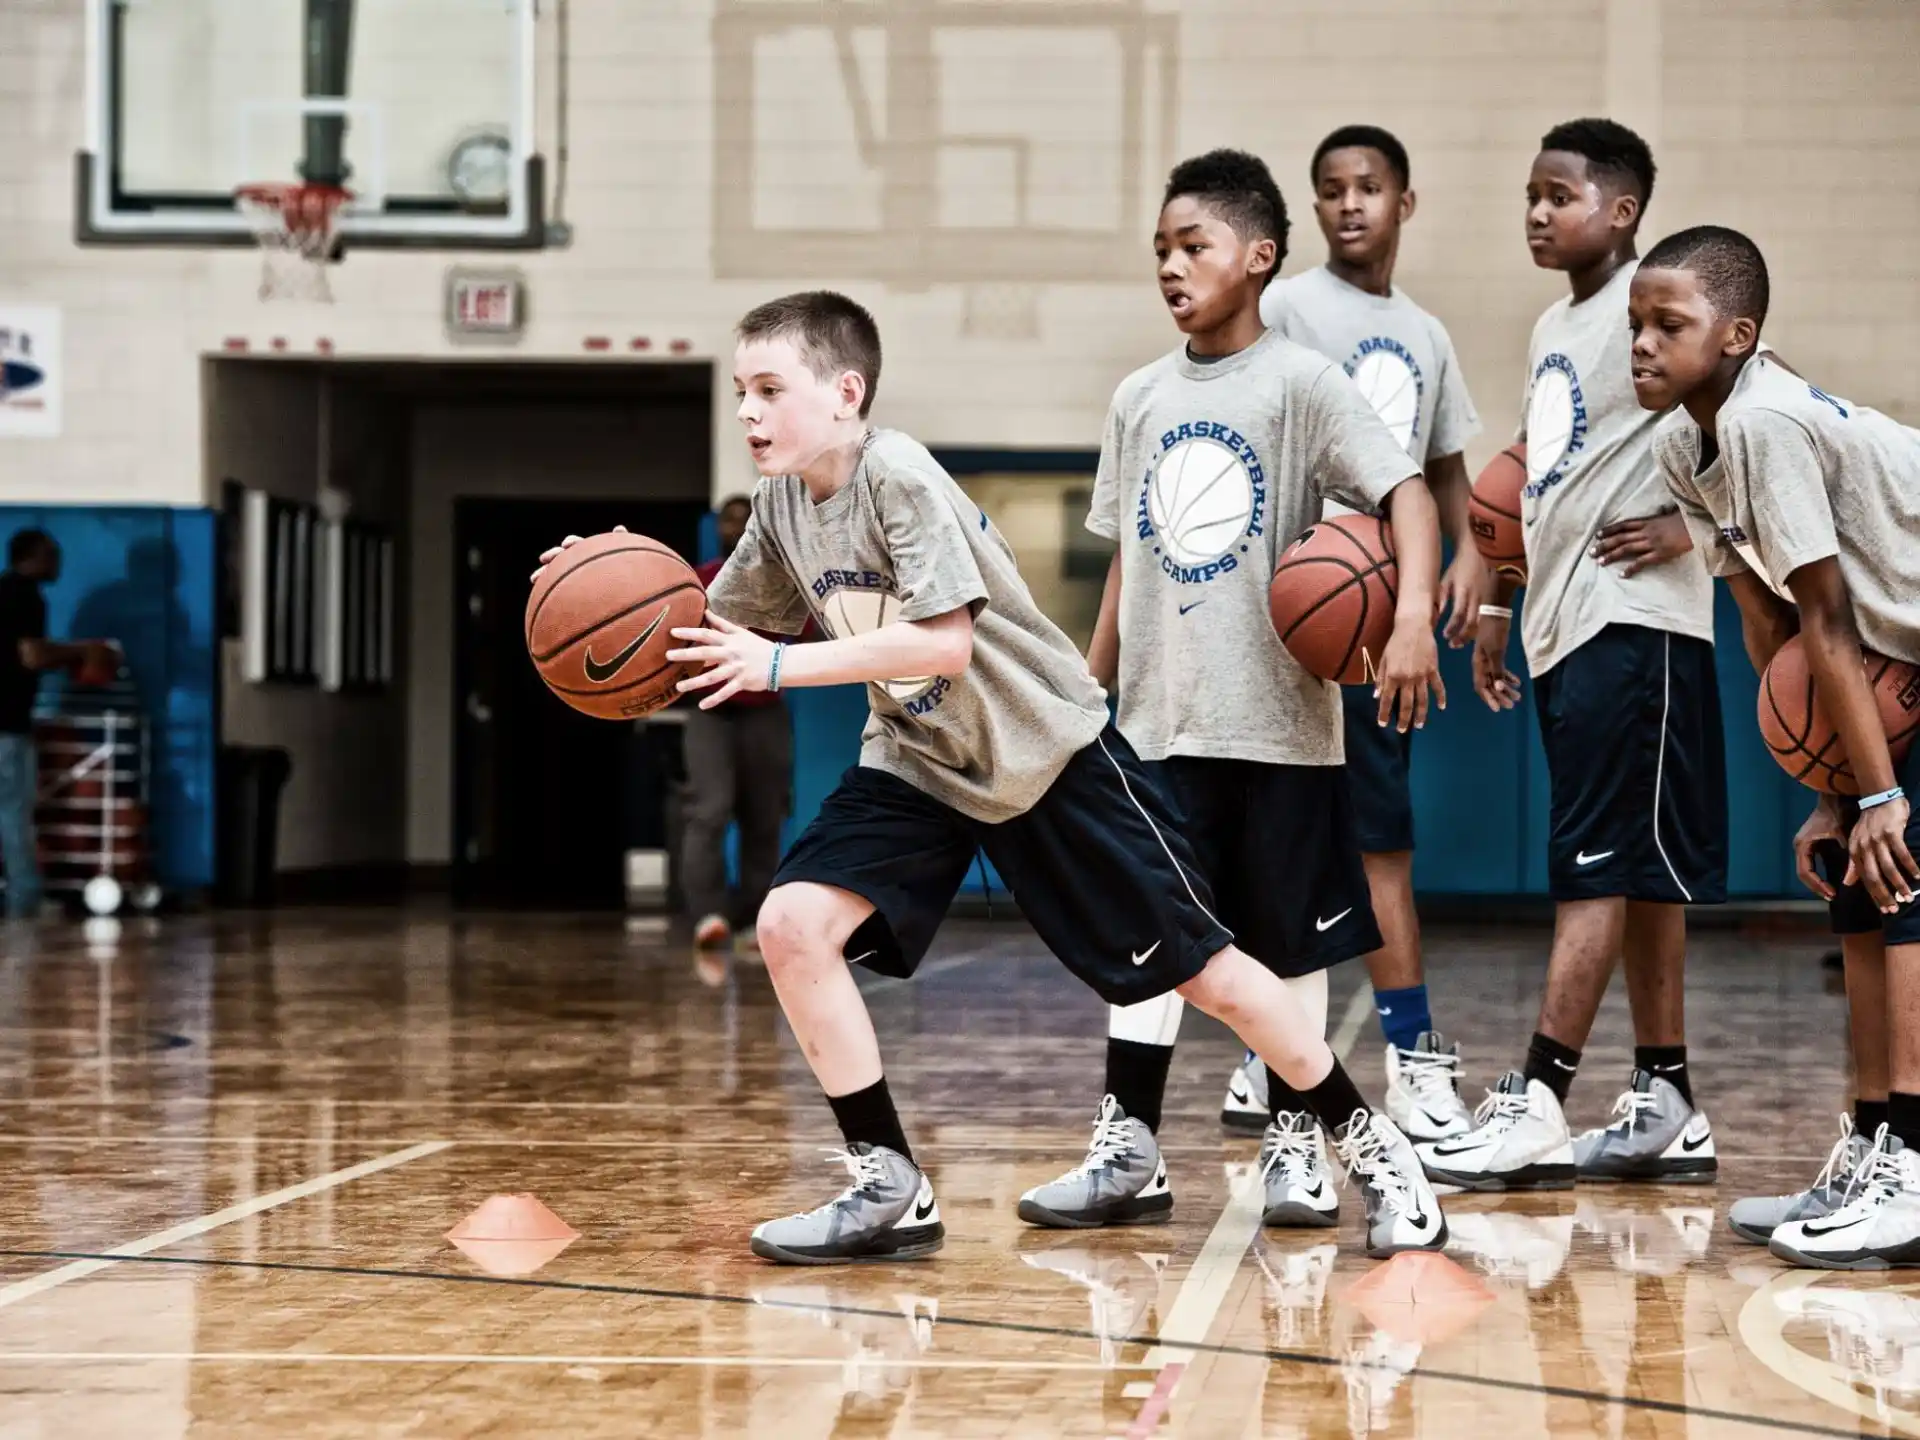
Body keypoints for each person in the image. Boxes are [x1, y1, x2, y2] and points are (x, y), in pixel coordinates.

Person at [543, 288, 1449, 1264]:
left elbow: (941, 642)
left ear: (845, 392)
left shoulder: (897, 476)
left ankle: (1375, 1147)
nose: (750, 413)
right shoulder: (779, 510)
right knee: (790, 923)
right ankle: (887, 1181)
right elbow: (700, 627)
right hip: (920, 760)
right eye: (739, 392)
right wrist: (602, 587)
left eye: (770, 388)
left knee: (1212, 977)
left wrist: (777, 667)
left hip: (1044, 756)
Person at [1017, 148, 1452, 1235]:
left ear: (1258, 258)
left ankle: (1300, 1142)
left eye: (1193, 246)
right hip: (1159, 722)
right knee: (1148, 935)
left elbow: (1408, 493)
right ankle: (1129, 1146)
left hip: (1281, 725)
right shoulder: (1139, 395)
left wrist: (1407, 622)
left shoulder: (1302, 385)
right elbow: (1127, 556)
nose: (1170, 266)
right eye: (1161, 249)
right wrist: (1089, 689)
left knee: (1283, 944)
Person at [1420, 118, 1727, 1189]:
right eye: (1530, 197)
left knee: (1594, 868)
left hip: (1636, 625)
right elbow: (1538, 476)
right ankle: (1668, 1096)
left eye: (1559, 195)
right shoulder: (1561, 321)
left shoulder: (1665, 300)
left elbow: (1769, 421)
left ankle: (1543, 1096)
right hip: (1567, 621)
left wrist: (1700, 532)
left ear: (1623, 209)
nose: (1537, 214)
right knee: (1636, 874)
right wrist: (1500, 599)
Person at [1634, 224, 1920, 1266]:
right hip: (1890, 662)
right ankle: (1876, 1141)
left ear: (1740, 336)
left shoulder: (1764, 425)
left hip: (1893, 646)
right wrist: (1834, 792)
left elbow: (1832, 625)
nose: (1644, 344)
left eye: (1671, 324)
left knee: (1907, 891)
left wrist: (1883, 797)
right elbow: (1772, 627)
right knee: (1858, 888)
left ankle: (1916, 1170)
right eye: (1637, 324)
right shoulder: (1684, 445)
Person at [1202, 124, 1485, 1146]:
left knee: (1381, 848)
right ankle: (1265, 1055)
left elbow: (1446, 466)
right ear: (1312, 209)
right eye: (1331, 190)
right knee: (1267, 849)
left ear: (1405, 203)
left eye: (1370, 187)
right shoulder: (1283, 306)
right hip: (1283, 613)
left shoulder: (1427, 334)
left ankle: (1412, 1065)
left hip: (1371, 623)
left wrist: (1465, 563)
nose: (1351, 203)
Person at [683, 494, 795, 951]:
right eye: (728, 518)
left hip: (764, 709)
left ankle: (754, 918)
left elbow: (801, 636)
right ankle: (707, 915)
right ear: (718, 528)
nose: (735, 524)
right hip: (710, 709)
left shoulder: (777, 579)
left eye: (744, 517)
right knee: (709, 810)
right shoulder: (696, 582)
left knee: (764, 817)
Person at [0, 529, 113, 920]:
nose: (58, 565)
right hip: (7, 722)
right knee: (14, 809)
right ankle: (24, 896)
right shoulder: (26, 597)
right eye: (52, 556)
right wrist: (80, 652)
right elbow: (31, 655)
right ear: (31, 557)